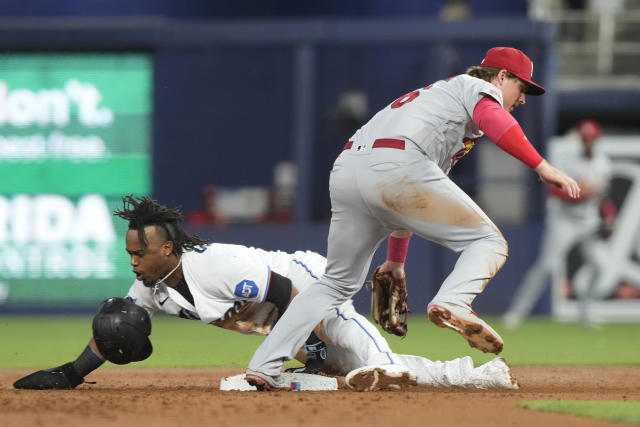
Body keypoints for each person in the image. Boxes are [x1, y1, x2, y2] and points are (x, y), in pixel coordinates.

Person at [244, 46, 581, 390]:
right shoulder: (474, 87)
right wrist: (542, 165)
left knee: (335, 283)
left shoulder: (439, 103)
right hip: (397, 163)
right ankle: (454, 301)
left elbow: (406, 197)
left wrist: (395, 261)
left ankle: (263, 366)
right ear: (501, 76)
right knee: (488, 242)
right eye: (522, 88)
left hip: (350, 168)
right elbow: (492, 121)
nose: (523, 98)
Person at [13, 195, 517, 392]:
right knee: (349, 375)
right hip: (284, 323)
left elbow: (287, 290)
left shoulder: (217, 265)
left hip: (315, 286)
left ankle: (371, 366)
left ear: (167, 249)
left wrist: (312, 343)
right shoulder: (150, 287)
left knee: (370, 361)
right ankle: (479, 378)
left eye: (139, 253)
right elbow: (114, 329)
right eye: (129, 254)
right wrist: (72, 371)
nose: (132, 261)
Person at [502, 119, 611, 328]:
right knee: (547, 266)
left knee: (600, 265)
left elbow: (602, 194)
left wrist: (608, 214)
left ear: (596, 140)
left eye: (591, 139)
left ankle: (585, 313)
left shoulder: (602, 161)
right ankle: (517, 311)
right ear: (580, 139)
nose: (588, 142)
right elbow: (555, 190)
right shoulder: (566, 158)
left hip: (588, 220)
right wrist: (582, 191)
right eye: (585, 138)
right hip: (565, 219)